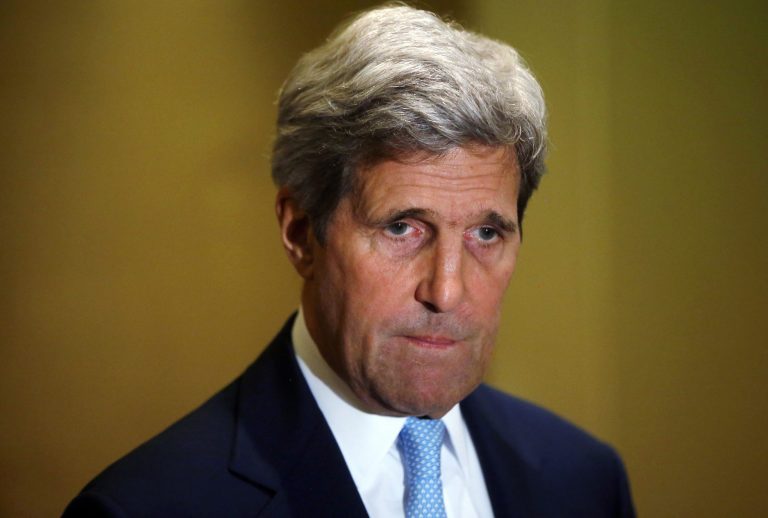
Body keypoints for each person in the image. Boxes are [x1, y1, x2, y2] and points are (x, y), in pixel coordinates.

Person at [64, 5, 634, 517]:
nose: (448, 291)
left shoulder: (584, 479)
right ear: (301, 232)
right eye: (403, 227)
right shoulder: (145, 507)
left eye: (486, 233)